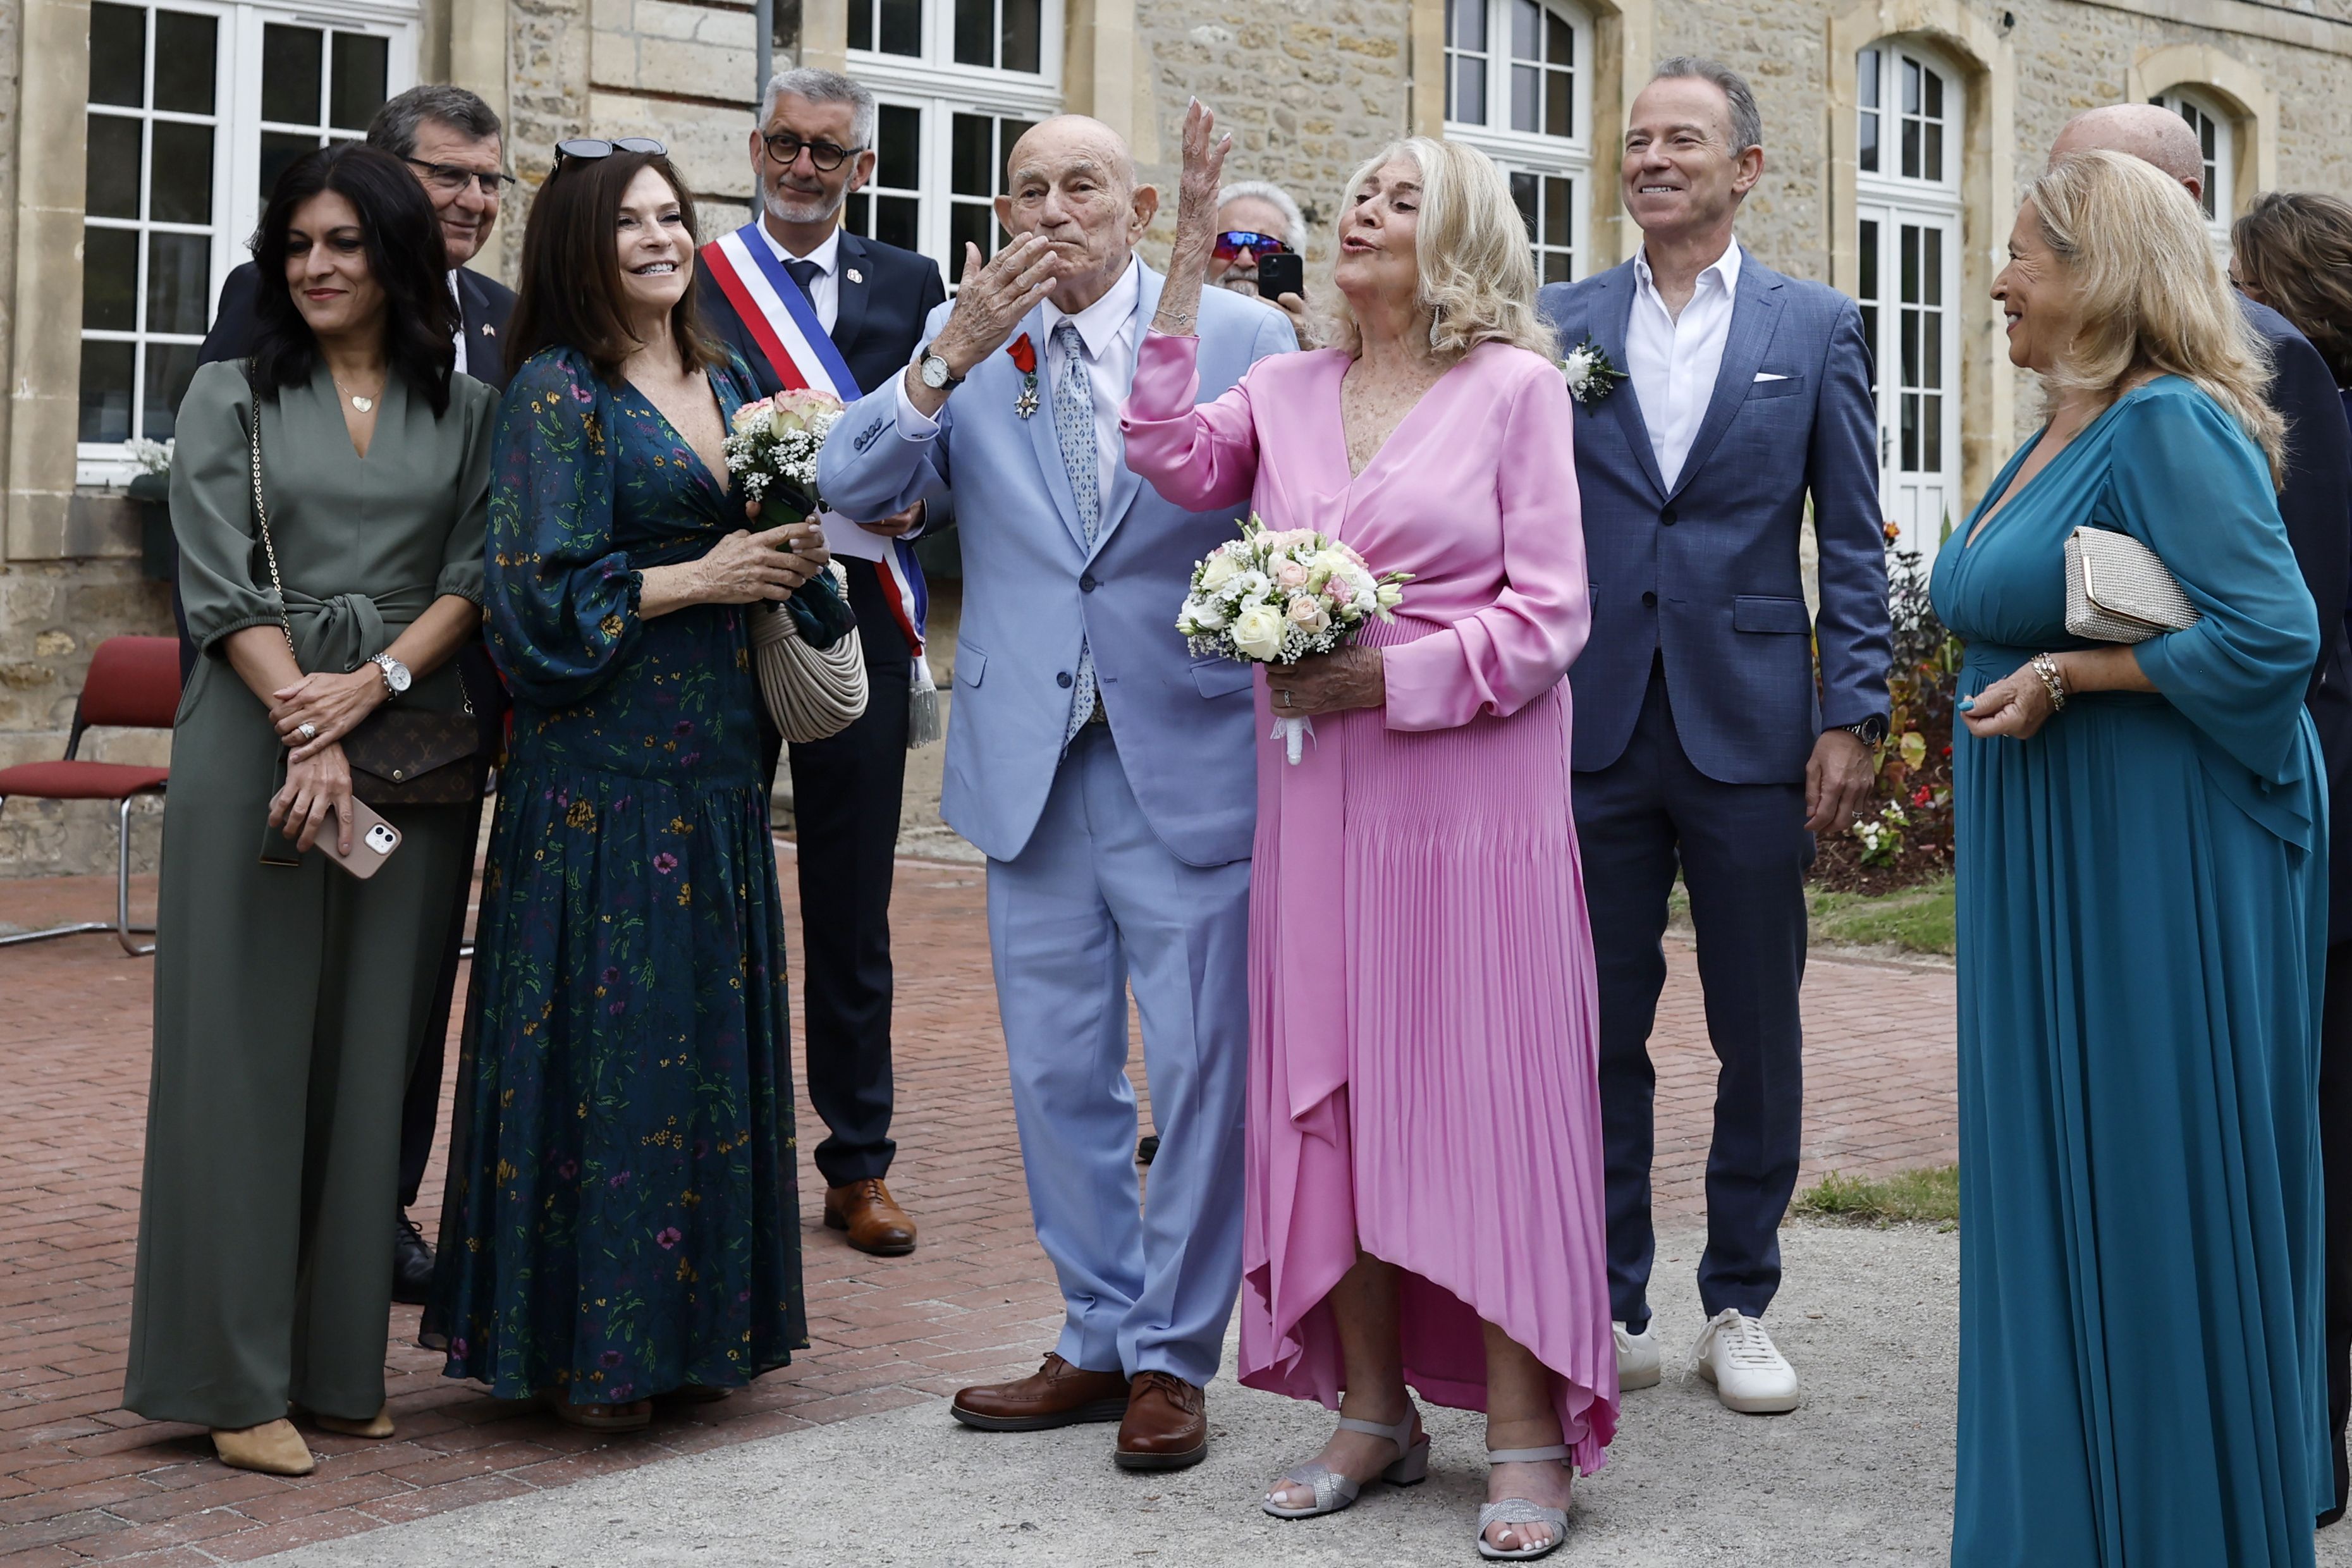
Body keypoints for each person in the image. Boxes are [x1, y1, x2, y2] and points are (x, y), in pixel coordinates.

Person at [1124, 109, 1614, 1560]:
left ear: (1455, 235)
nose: (1362, 213)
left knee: (1476, 1091)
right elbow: (1158, 444)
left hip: (1471, 805)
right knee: (1330, 1093)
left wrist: (1386, 677)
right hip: (1319, 797)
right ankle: (1371, 1409)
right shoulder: (1281, 384)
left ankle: (1527, 1432)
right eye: (1353, 193)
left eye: (1397, 198)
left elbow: (1549, 618)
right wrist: (1184, 238)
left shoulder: (1517, 389)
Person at [818, 114, 1294, 1471]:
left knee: (1202, 1067)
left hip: (1187, 752)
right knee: (1055, 1072)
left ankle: (1171, 1356)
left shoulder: (1243, 339)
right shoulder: (971, 346)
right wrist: (941, 359)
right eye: (1026, 190)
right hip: (1028, 761)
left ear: (1142, 206)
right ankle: (1095, 1329)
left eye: (1080, 185)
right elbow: (847, 483)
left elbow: (1310, 514)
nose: (1052, 210)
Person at [1936, 148, 2329, 1566]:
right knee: (2055, 1173)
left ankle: (2169, 1523)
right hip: (2055, 839)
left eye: (2022, 256)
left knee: (2144, 1173)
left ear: (2100, 275)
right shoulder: (2058, 420)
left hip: (2151, 850)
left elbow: (2277, 641)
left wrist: (2069, 680)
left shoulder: (2168, 424)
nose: (1995, 281)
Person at [426, 140, 824, 1430]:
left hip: (715, 766)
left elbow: (766, 532)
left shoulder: (733, 370)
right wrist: (701, 578)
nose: (658, 237)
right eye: (628, 222)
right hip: (598, 777)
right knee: (613, 1050)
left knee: (701, 1042)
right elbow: (530, 595)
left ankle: (700, 1333)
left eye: (671, 215)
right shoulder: (557, 387)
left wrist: (790, 547)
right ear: (580, 249)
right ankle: (593, 1353)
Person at [125, 142, 496, 1476]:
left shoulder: (466, 411)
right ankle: (230, 1379)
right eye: (298, 246)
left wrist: (378, 685)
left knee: (369, 1061)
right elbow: (218, 582)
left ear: (395, 253)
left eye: (344, 242)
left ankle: (341, 1367)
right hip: (255, 741)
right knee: (244, 1060)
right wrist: (311, 719)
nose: (319, 266)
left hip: (409, 756)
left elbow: (474, 573)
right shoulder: (230, 390)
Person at [1536, 57, 1889, 1414]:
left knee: (1758, 1024)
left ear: (1746, 168)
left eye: (1684, 140)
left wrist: (1851, 708)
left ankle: (1741, 1294)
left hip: (1752, 726)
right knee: (1593, 1024)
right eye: (1637, 140)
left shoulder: (1818, 326)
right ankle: (1607, 1288)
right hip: (1591, 721)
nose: (1653, 159)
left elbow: (1851, 538)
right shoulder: (1555, 320)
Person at [2059, 107, 2352, 1529]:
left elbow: (2293, 620)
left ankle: (2285, 1439)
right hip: (2139, 780)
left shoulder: (2250, 365)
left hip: (2239, 784)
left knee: (2270, 1121)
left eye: (2071, 199)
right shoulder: (2110, 374)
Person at [193, 82, 520, 1308]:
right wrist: (298, 710)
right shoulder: (268, 312)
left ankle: (373, 1213)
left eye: (491, 180)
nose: (474, 201)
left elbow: (493, 533)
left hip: (436, 716)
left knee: (406, 989)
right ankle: (261, 1235)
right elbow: (234, 530)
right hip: (284, 705)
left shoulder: (497, 321)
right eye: (450, 176)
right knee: (284, 990)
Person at [693, 66, 946, 1258]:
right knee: (713, 890)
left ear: (865, 168)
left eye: (827, 152)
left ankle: (859, 1165)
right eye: (786, 146)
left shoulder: (909, 284)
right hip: (725, 613)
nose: (802, 168)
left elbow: (954, 442)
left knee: (851, 908)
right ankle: (714, 1149)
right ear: (756, 147)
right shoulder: (697, 277)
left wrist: (924, 504)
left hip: (864, 619)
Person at [2232, 188, 2352, 1529]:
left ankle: (2306, 1434)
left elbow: (2299, 633)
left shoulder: (2302, 409)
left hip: (2327, 789)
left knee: (2312, 1120)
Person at [1210, 180, 1313, 344]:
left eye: (1264, 247)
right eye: (1227, 244)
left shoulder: (1310, 348)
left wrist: (1310, 351)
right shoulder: (1169, 329)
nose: (1244, 261)